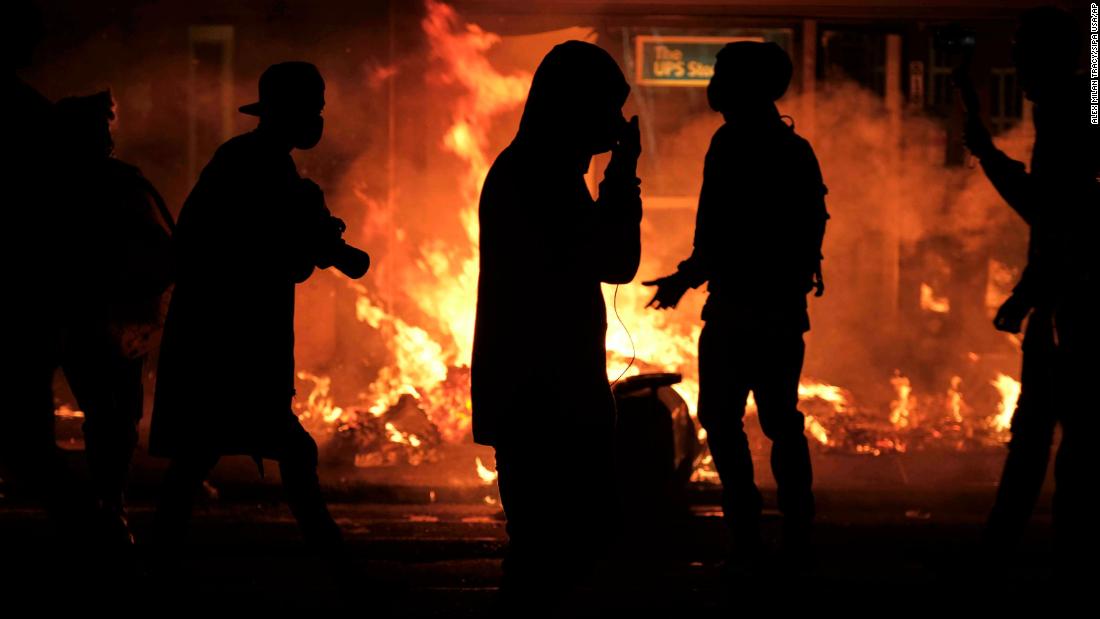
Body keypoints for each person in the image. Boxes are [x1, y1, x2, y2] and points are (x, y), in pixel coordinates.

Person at [150, 61, 368, 554]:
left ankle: (155, 564)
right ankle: (342, 572)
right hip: (231, 342)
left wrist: (314, 238)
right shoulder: (256, 166)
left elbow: (290, 251)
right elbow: (260, 248)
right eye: (312, 108)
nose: (317, 118)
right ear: (288, 112)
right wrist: (318, 241)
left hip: (228, 341)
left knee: (200, 457)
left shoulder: (257, 163)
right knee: (288, 452)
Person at [471, 41, 641, 611]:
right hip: (547, 398)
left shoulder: (534, 168)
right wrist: (622, 184)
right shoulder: (542, 177)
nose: (616, 125)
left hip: (534, 395)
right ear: (575, 106)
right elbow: (616, 261)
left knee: (551, 551)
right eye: (608, 110)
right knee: (559, 550)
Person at [644, 41, 828, 567]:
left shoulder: (732, 145)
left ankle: (748, 526)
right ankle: (793, 528)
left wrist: (686, 277)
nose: (715, 84)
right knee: (776, 420)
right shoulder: (793, 149)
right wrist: (689, 276)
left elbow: (724, 236)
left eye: (723, 73)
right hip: (778, 313)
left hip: (740, 311)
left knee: (725, 419)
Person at [961, 6, 1100, 569]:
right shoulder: (1071, 106)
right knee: (1040, 433)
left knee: (1061, 440)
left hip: (1080, 308)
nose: (1014, 61)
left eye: (1023, 50)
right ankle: (1008, 551)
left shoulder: (1071, 111)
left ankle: (1046, 557)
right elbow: (1057, 217)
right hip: (1062, 303)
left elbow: (1057, 214)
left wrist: (989, 156)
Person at [54, 91, 174, 544]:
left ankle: (105, 507)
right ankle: (103, 511)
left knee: (113, 417)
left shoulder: (57, 184)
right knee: (114, 416)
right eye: (99, 127)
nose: (106, 136)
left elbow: (163, 252)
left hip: (108, 322)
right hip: (100, 320)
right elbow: (165, 251)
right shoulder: (117, 185)